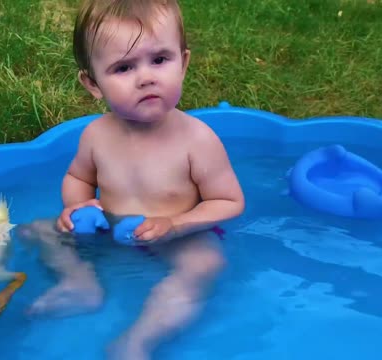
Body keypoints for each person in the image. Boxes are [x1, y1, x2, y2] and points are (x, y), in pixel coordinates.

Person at [18, 0, 245, 358]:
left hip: (177, 236)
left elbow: (229, 202)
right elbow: (77, 176)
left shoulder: (198, 140)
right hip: (108, 228)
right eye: (124, 67)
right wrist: (76, 207)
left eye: (160, 60)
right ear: (93, 84)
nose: (146, 77)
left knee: (206, 264)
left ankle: (139, 339)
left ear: (183, 63)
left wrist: (175, 223)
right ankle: (80, 283)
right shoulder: (96, 135)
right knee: (36, 230)